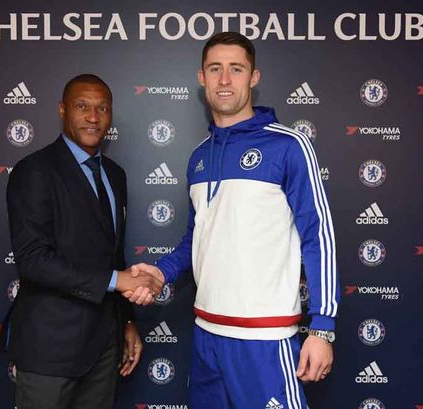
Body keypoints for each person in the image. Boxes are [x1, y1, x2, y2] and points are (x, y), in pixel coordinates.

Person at [128, 32, 339, 409]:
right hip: (206, 335)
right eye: (215, 69)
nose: (225, 80)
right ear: (202, 77)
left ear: (253, 78)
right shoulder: (197, 157)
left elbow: (317, 236)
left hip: (265, 340)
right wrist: (160, 273)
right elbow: (198, 237)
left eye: (236, 69)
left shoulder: (288, 145)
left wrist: (323, 325)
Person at [5, 74, 164, 409]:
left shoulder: (115, 175)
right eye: (82, 107)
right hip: (51, 348)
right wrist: (116, 280)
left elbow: (113, 254)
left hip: (104, 347)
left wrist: (128, 321)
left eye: (102, 108)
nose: (93, 117)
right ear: (63, 110)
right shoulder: (34, 170)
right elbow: (33, 260)